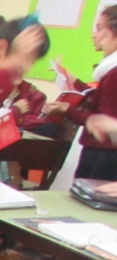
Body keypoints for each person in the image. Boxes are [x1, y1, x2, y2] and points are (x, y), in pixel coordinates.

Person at [44, 5, 117, 181]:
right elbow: (99, 99)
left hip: (103, 157)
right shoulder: (110, 72)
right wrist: (73, 80)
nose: (93, 35)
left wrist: (66, 109)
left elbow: (100, 121)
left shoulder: (113, 74)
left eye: (99, 28)